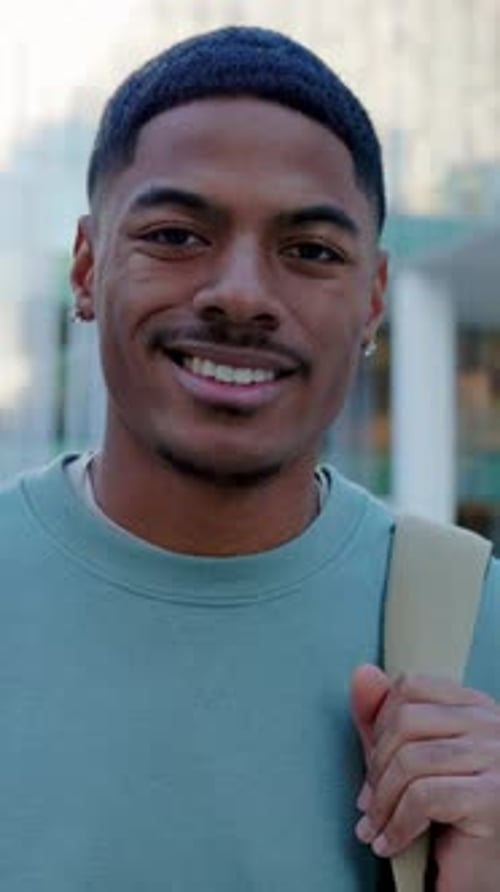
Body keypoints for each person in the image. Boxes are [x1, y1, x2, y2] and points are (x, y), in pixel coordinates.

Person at [1, 25, 499, 892]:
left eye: (309, 251)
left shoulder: (477, 631)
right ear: (88, 267)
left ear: (374, 298)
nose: (239, 294)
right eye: (176, 234)